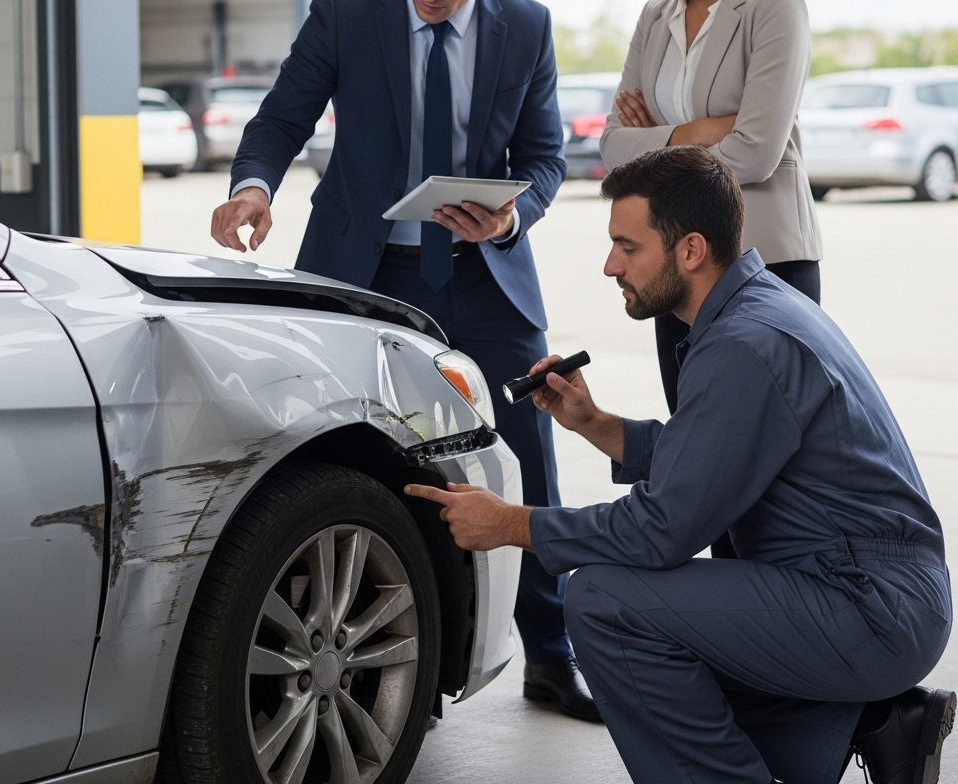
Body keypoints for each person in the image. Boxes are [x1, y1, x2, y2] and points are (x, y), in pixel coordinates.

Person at [406, 146, 954, 784]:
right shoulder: (755, 312)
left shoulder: (745, 345)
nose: (610, 265)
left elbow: (662, 529)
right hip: (870, 594)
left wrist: (512, 524)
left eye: (628, 247)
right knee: (663, 641)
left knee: (606, 602)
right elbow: (714, 461)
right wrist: (594, 422)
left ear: (691, 250)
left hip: (866, 606)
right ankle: (874, 727)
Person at [210, 0, 597, 720]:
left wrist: (508, 219)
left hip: (481, 274)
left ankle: (552, 654)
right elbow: (282, 118)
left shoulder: (525, 26)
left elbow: (544, 157)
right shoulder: (346, 7)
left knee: (528, 453)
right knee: (330, 449)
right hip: (361, 272)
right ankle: (335, 641)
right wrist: (254, 188)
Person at [601, 0, 822, 417]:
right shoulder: (655, 16)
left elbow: (754, 157)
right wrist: (697, 130)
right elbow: (613, 149)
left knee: (766, 449)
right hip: (679, 268)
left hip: (765, 260)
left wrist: (656, 137)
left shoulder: (775, 7)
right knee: (693, 445)